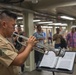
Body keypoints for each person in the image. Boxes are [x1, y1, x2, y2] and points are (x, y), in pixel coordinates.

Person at [0, 10, 36, 75]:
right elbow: (18, 61)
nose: (14, 29)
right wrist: (29, 46)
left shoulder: (5, 39)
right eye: (13, 26)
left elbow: (16, 54)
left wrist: (25, 47)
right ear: (4, 24)